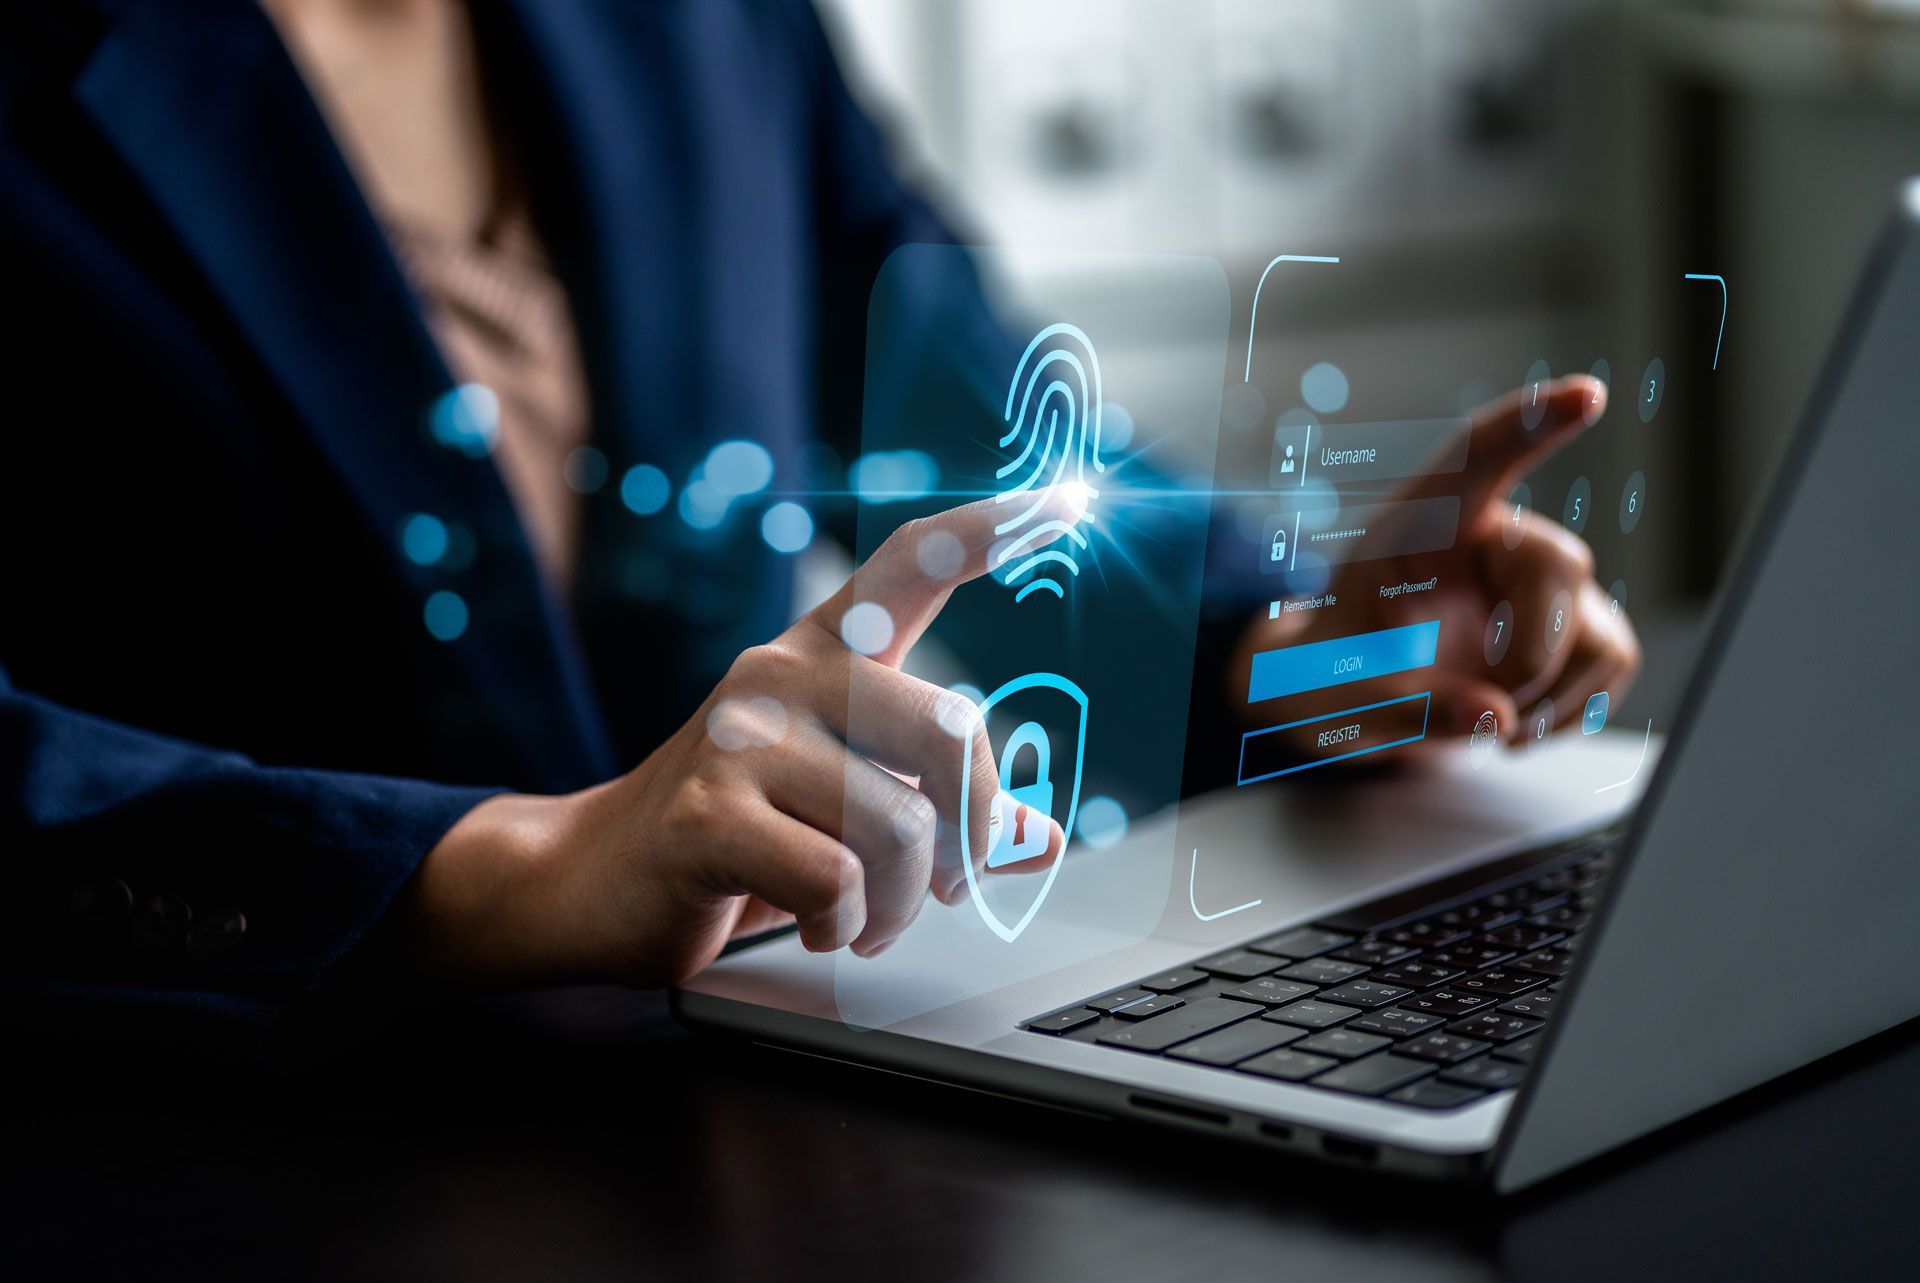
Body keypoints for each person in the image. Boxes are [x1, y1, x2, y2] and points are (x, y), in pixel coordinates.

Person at [1, 0, 1636, 1059]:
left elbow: (957, 404)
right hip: (209, 1183)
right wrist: (516, 870)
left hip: (714, 1137)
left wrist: (1298, 654)